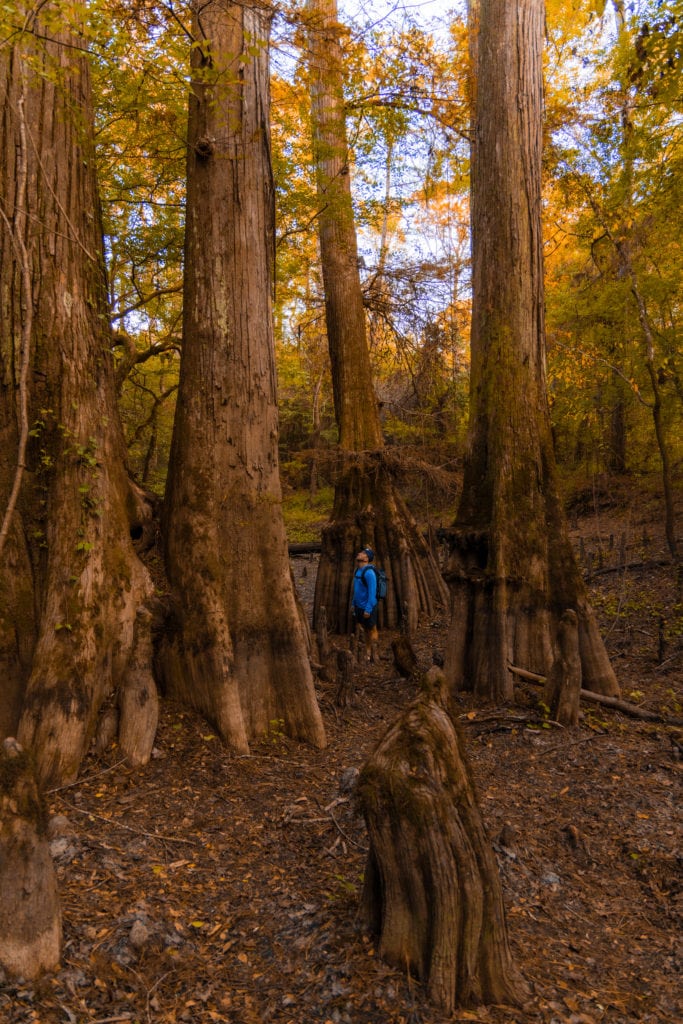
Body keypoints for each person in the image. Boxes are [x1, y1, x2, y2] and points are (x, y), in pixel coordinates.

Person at [352, 547, 379, 662]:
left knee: (371, 629)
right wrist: (353, 604)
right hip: (358, 606)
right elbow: (356, 590)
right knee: (362, 629)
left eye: (363, 553)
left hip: (368, 607)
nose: (359, 553)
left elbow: (372, 593)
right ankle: (365, 651)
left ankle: (373, 652)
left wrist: (368, 609)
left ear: (367, 558)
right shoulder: (358, 571)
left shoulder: (370, 573)